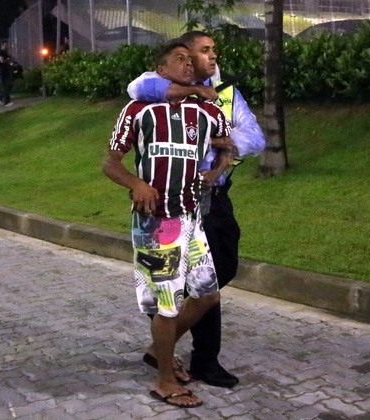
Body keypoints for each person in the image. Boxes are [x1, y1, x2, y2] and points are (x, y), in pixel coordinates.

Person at [127, 30, 266, 389]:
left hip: (216, 198)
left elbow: (255, 137)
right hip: (175, 201)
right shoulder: (153, 86)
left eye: (212, 51)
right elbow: (137, 88)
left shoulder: (226, 94)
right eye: (202, 51)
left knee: (222, 270)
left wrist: (222, 140)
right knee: (188, 281)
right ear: (182, 58)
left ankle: (162, 346)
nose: (211, 56)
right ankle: (204, 360)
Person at [103, 42, 232, 408]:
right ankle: (163, 380)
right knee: (167, 304)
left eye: (191, 60)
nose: (189, 64)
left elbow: (227, 146)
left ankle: (158, 350)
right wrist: (137, 184)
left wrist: (216, 170)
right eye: (180, 59)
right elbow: (110, 162)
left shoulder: (206, 112)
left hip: (192, 219)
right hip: (156, 224)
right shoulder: (139, 109)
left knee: (208, 293)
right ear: (160, 70)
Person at [0, 41, 14, 106]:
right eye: (5, 45)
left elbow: (9, 59)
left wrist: (10, 60)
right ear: (2, 45)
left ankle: (4, 99)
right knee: (6, 86)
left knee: (8, 85)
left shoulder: (5, 53)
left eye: (7, 45)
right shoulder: (1, 52)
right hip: (2, 71)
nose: (6, 46)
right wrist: (8, 60)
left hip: (5, 71)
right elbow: (1, 60)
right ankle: (3, 100)